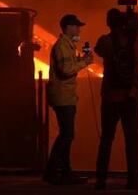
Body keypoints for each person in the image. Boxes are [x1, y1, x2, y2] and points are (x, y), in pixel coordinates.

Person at [93, 8, 138, 190]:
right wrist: (134, 31)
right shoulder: (136, 42)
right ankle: (132, 180)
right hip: (131, 97)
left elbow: (97, 50)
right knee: (131, 140)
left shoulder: (106, 41)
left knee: (106, 139)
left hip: (110, 98)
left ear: (109, 23)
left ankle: (101, 180)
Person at [43, 13, 93, 185]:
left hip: (66, 97)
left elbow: (67, 66)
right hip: (63, 97)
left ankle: (64, 173)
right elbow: (66, 70)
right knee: (66, 135)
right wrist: (84, 63)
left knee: (66, 135)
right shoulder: (63, 46)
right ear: (68, 27)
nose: (79, 29)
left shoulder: (68, 46)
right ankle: (52, 171)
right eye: (77, 26)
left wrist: (80, 60)